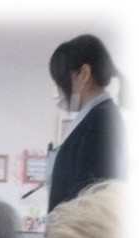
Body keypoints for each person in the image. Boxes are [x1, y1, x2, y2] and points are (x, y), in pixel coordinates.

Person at [47, 34, 127, 213]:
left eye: (62, 81)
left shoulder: (101, 123)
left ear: (84, 74)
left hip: (80, 229)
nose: (60, 89)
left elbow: (92, 200)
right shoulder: (95, 118)